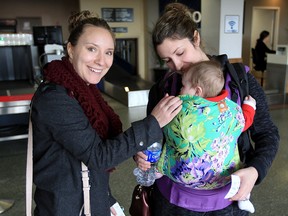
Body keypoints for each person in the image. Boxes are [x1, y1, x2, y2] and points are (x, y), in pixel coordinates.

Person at [30, 10, 182, 216]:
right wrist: (154, 122)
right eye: (92, 49)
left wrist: (133, 151)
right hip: (66, 208)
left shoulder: (86, 92)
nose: (102, 61)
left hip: (91, 198)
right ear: (71, 49)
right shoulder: (56, 98)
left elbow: (98, 148)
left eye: (109, 52)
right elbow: (99, 156)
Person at [134, 3, 279, 215]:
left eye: (180, 52)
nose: (177, 65)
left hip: (227, 203)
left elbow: (268, 133)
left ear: (196, 38)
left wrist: (256, 170)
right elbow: (151, 139)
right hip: (172, 203)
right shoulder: (163, 88)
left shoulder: (239, 81)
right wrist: (142, 155)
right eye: (167, 60)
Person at [156, 60, 256, 213]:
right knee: (238, 171)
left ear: (197, 91)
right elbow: (244, 123)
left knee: (166, 154)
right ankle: (244, 197)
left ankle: (159, 169)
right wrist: (250, 107)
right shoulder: (230, 110)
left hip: (182, 178)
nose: (180, 90)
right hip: (223, 178)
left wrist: (164, 103)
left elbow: (162, 126)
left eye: (183, 86)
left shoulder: (180, 108)